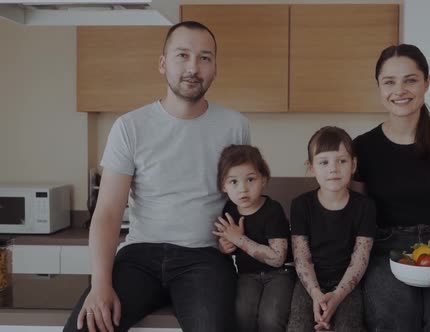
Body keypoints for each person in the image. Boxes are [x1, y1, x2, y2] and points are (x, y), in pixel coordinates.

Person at [63, 21, 250, 332]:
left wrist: (239, 238)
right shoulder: (130, 126)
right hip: (139, 257)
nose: (193, 67)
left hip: (203, 258)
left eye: (204, 58)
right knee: (85, 328)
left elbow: (240, 196)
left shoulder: (235, 126)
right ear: (163, 64)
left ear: (215, 67)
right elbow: (108, 213)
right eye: (182, 55)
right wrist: (100, 285)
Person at [353, 44, 430, 332]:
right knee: (394, 320)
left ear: (427, 82)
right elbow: (357, 220)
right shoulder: (362, 146)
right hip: (385, 252)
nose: (400, 90)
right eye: (389, 82)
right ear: (379, 87)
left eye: (410, 80)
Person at [287, 126, 376, 332]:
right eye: (324, 162)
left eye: (342, 161)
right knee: (298, 326)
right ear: (311, 167)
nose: (333, 169)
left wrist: (337, 296)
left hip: (348, 283)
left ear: (353, 165)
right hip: (310, 282)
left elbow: (360, 258)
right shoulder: (301, 205)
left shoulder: (365, 206)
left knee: (348, 326)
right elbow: (301, 257)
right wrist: (317, 294)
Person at [213, 144, 295, 332]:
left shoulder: (273, 210)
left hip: (279, 275)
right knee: (242, 314)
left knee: (271, 318)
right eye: (233, 182)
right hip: (246, 275)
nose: (243, 189)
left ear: (264, 180)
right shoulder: (229, 210)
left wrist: (239, 240)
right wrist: (225, 246)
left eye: (250, 179)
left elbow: (277, 258)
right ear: (223, 186)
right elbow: (227, 243)